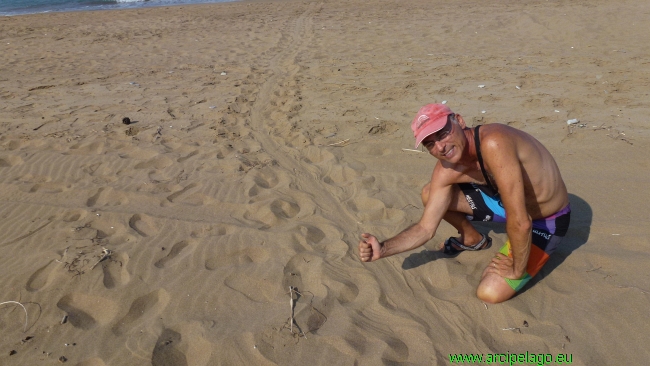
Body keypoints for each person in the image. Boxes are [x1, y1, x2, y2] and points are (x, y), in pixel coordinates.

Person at [358, 103, 570, 303]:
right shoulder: (446, 168)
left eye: (442, 134)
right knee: (430, 193)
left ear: (459, 121)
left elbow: (522, 222)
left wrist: (517, 268)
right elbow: (425, 228)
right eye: (430, 144)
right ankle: (472, 238)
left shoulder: (494, 143)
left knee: (490, 292)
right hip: (505, 205)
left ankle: (523, 258)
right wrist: (383, 248)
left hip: (545, 219)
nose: (440, 147)